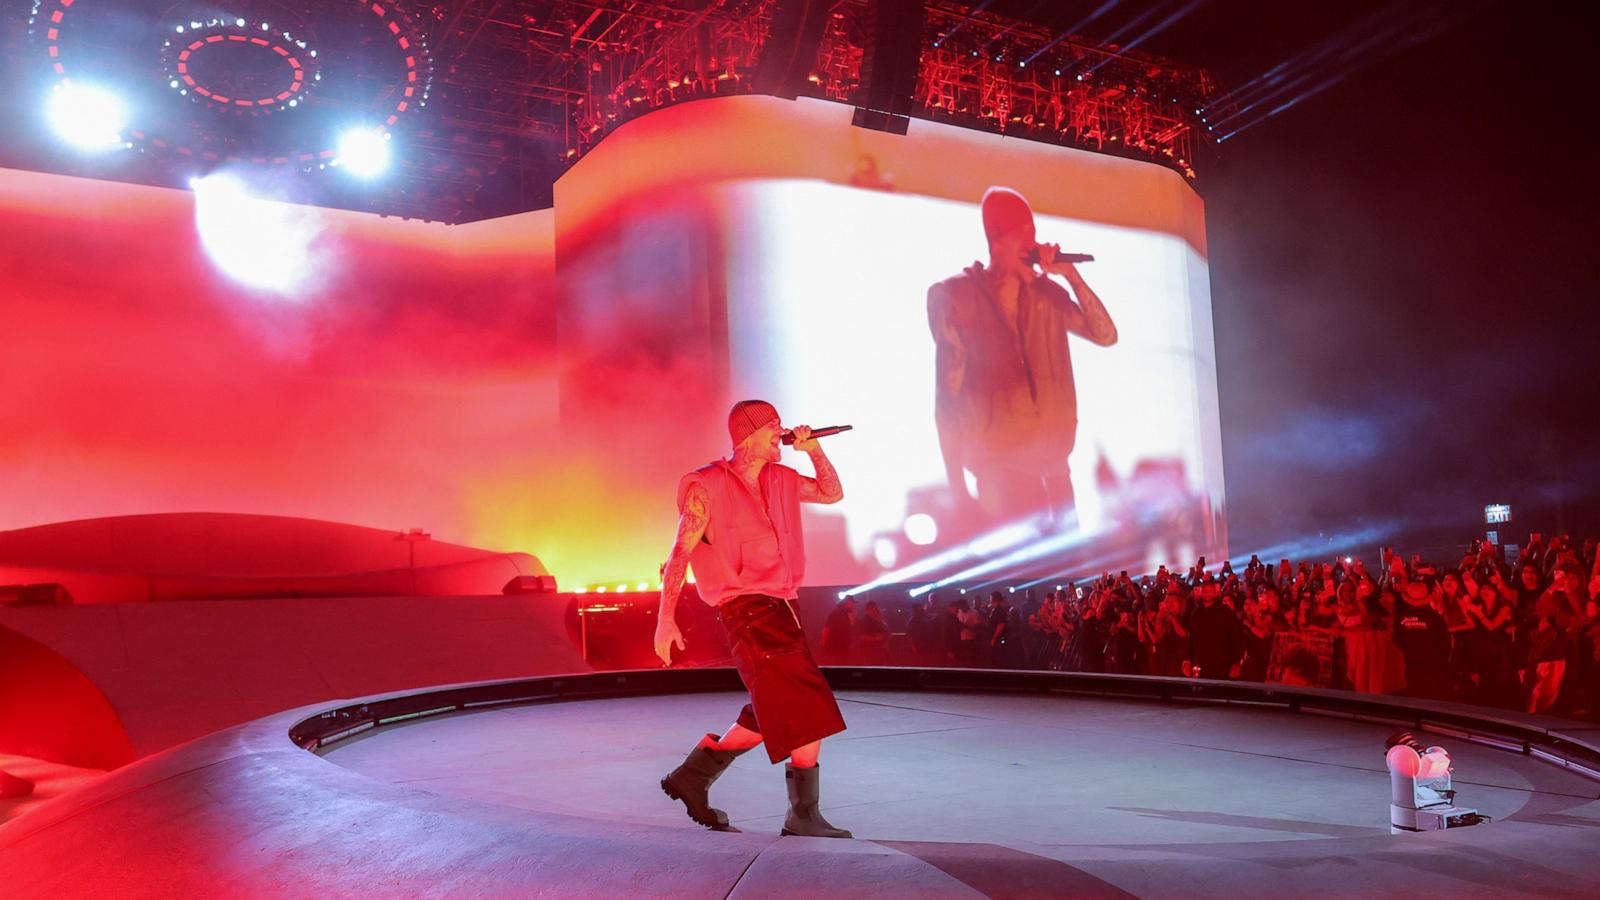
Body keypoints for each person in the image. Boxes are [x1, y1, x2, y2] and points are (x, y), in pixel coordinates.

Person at [653, 400, 851, 838]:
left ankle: (693, 777)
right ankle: (802, 815)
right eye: (774, 427)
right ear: (749, 435)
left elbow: (831, 492)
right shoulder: (706, 486)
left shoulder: (781, 478)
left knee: (773, 706)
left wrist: (813, 449)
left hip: (783, 606)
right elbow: (679, 554)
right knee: (804, 702)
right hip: (746, 609)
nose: (782, 432)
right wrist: (665, 619)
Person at [926, 186, 1118, 524]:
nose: (1031, 244)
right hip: (1001, 472)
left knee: (1068, 570)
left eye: (1033, 233)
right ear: (996, 239)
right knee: (1021, 574)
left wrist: (1071, 275)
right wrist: (957, 487)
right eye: (1022, 234)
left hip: (1056, 469)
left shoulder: (1048, 295)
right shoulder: (957, 297)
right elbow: (948, 399)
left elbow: (1105, 335)